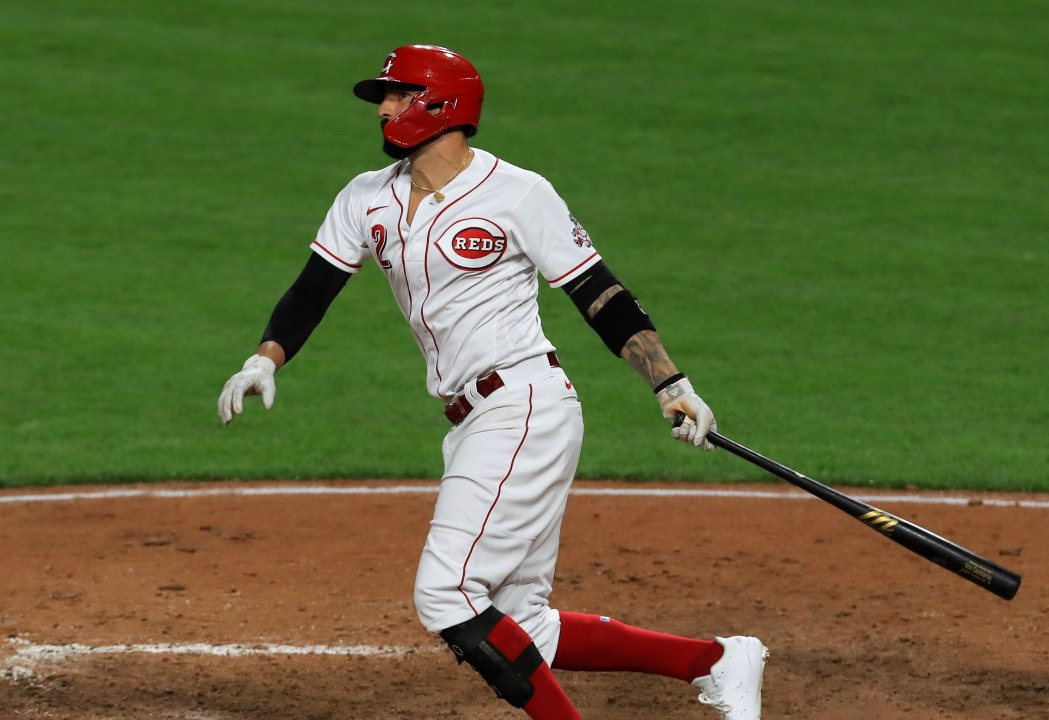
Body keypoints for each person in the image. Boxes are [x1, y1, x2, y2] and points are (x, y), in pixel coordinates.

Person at [218, 44, 768, 720]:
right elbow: (311, 291)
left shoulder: (519, 193)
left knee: (446, 596)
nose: (384, 107)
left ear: (442, 103)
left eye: (397, 93)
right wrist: (263, 360)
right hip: (477, 420)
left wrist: (670, 382)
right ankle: (716, 660)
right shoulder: (366, 197)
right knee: (520, 623)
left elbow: (599, 294)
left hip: (524, 407)